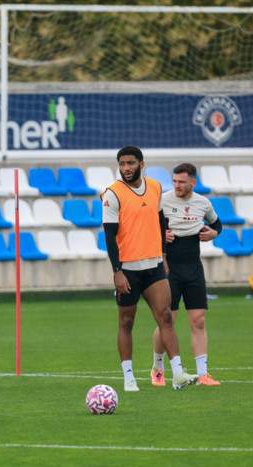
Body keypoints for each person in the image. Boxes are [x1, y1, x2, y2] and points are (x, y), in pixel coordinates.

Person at [102, 145, 198, 392]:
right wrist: (117, 271)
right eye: (122, 164)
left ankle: (177, 373)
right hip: (128, 270)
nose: (126, 168)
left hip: (154, 265)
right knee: (126, 322)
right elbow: (110, 237)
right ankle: (128, 377)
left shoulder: (155, 187)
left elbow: (160, 220)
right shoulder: (112, 194)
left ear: (141, 164)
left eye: (131, 163)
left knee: (165, 315)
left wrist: (163, 255)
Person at [151, 163, 222, 387]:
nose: (177, 186)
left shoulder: (203, 203)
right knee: (168, 319)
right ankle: (157, 369)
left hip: (193, 266)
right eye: (174, 181)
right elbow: (147, 226)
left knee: (199, 321)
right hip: (168, 266)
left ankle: (203, 375)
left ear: (193, 182)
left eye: (182, 182)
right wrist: (161, 234)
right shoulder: (163, 200)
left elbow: (216, 223)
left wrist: (214, 233)